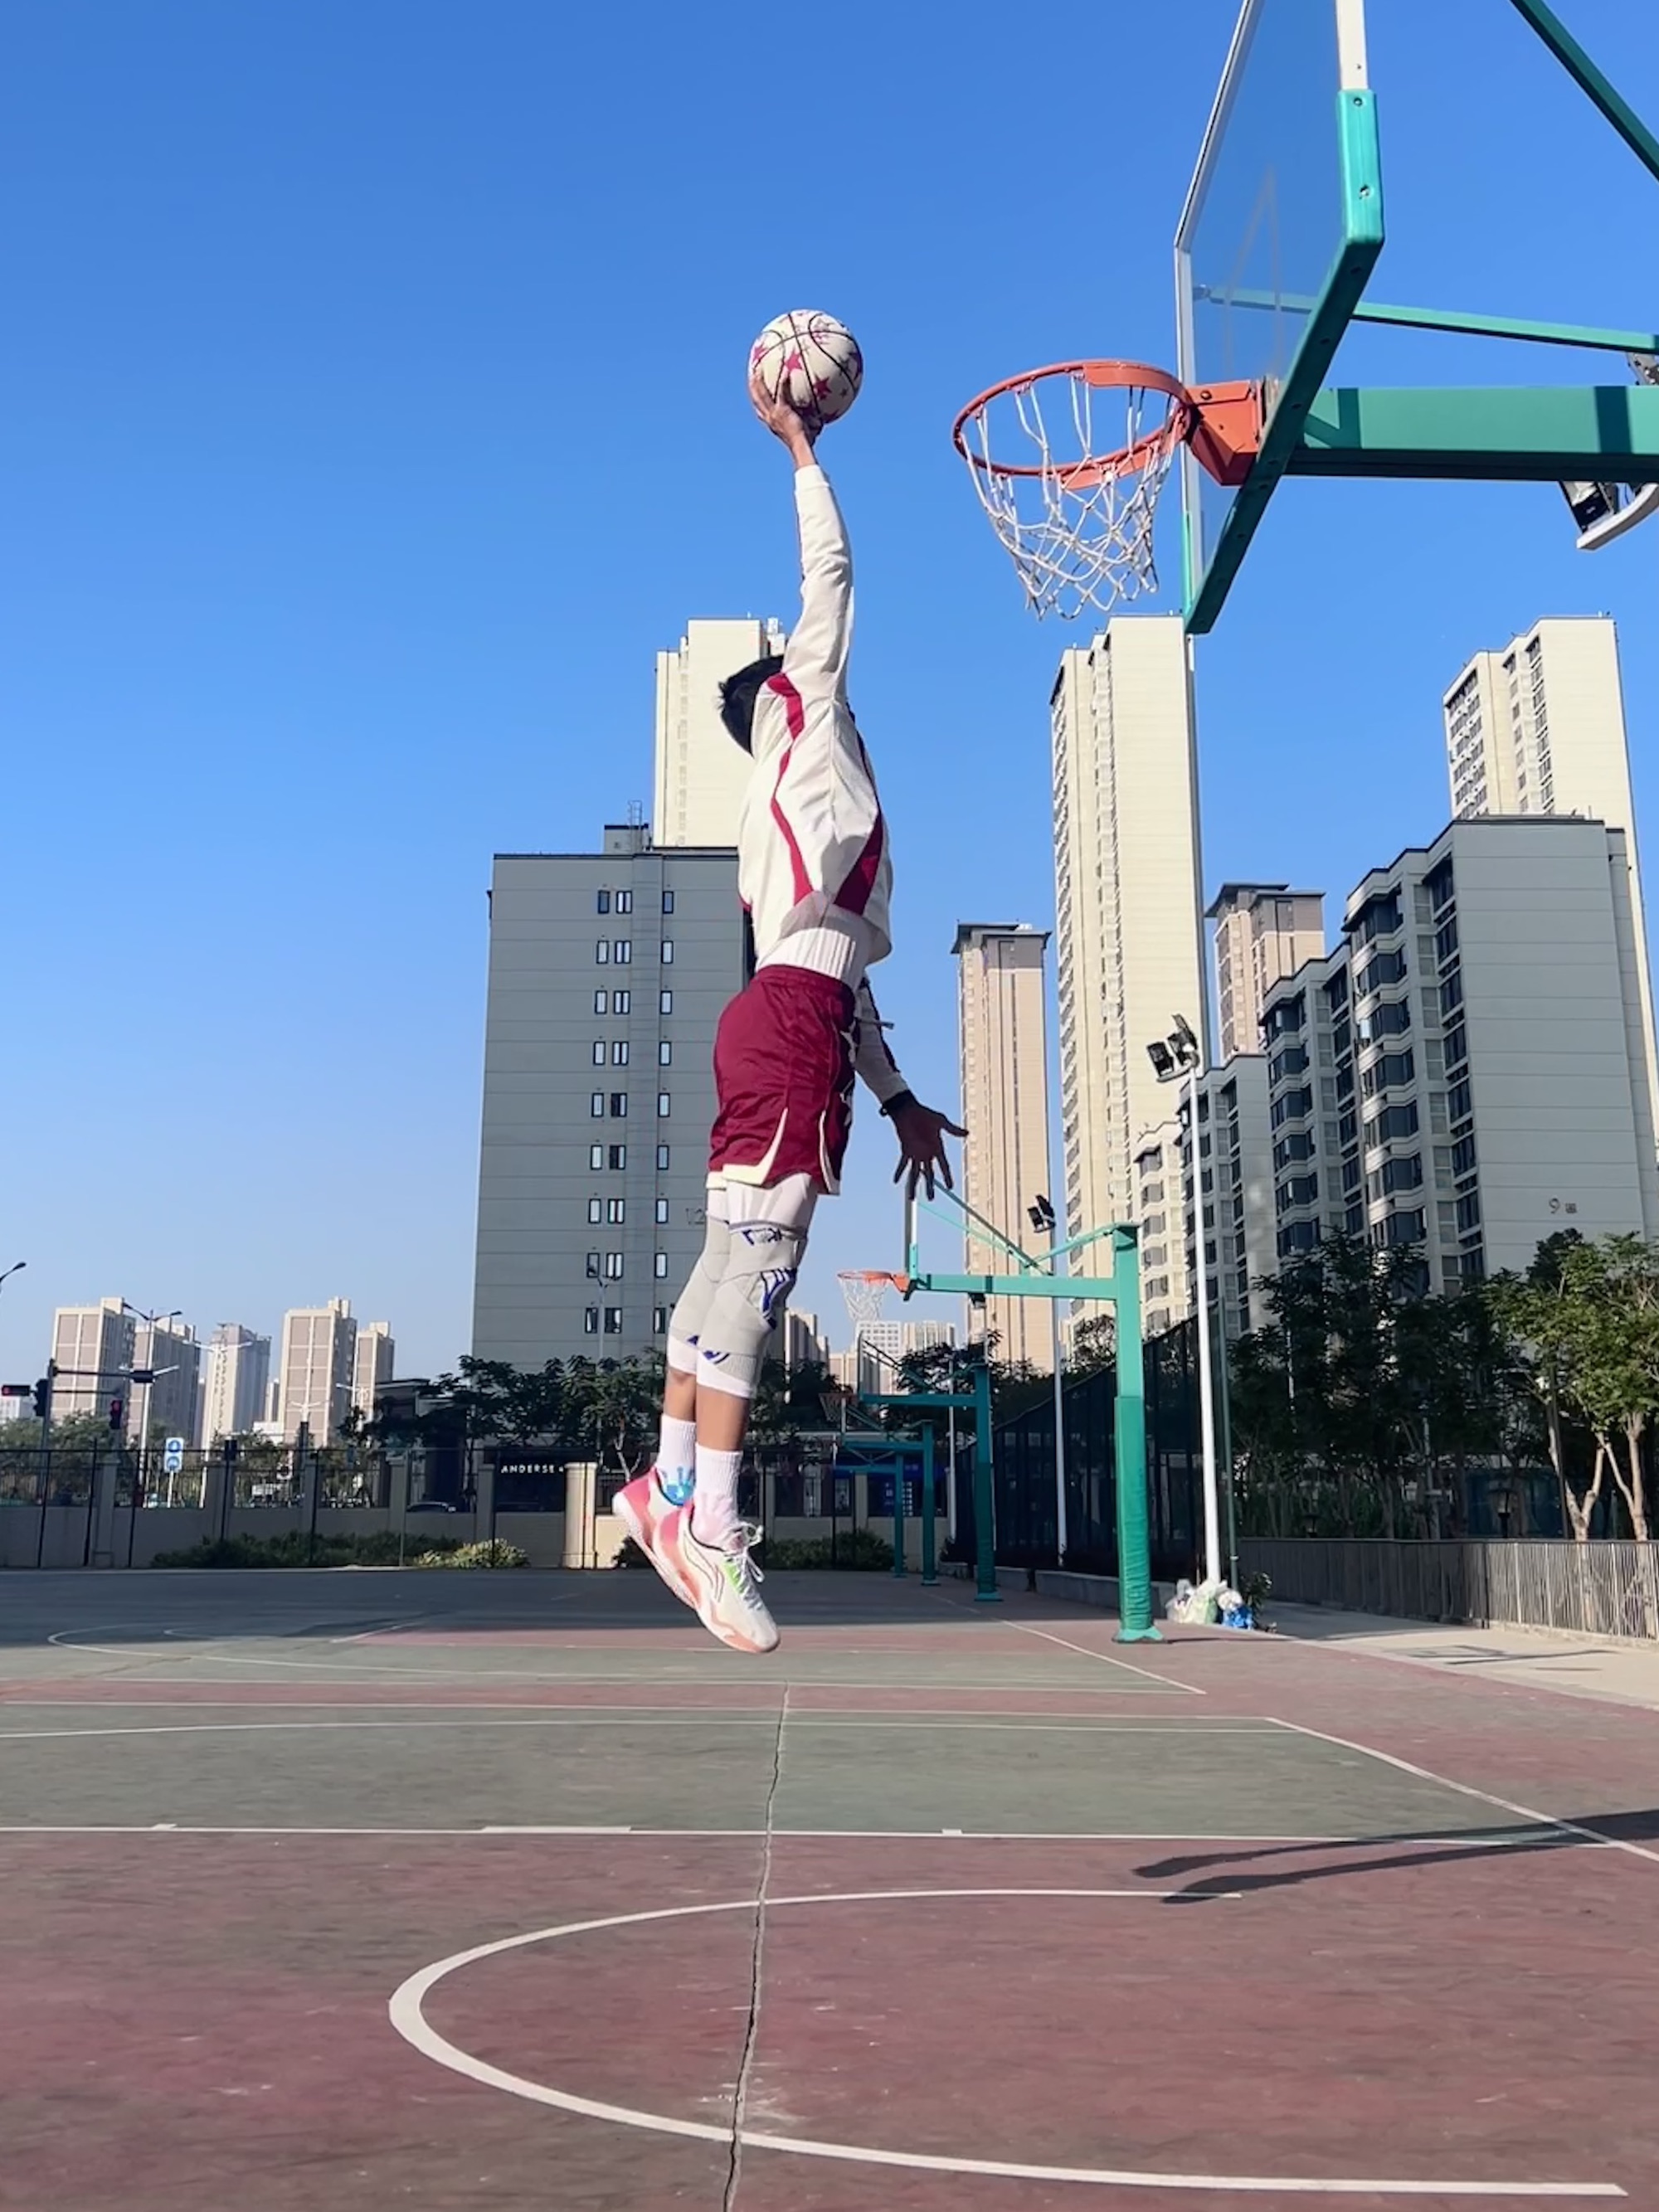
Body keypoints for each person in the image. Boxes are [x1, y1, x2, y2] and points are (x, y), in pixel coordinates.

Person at [613, 373, 963, 1655]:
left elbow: (846, 981)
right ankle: (708, 1527)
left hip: (792, 1011)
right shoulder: (803, 720)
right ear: (782, 691)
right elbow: (835, 578)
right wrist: (803, 450)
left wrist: (898, 1097)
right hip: (786, 1021)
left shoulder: (814, 809)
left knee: (729, 1265)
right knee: (759, 1272)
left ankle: (666, 1484)